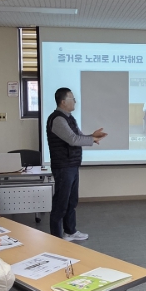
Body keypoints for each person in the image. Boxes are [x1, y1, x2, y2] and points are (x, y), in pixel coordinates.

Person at [46, 87, 107, 241]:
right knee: (61, 203)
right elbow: (73, 140)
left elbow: (78, 136)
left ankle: (70, 232)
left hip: (72, 165)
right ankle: (56, 238)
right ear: (63, 102)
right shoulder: (58, 119)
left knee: (71, 201)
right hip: (63, 166)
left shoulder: (69, 118)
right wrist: (91, 139)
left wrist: (92, 136)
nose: (75, 101)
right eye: (72, 99)